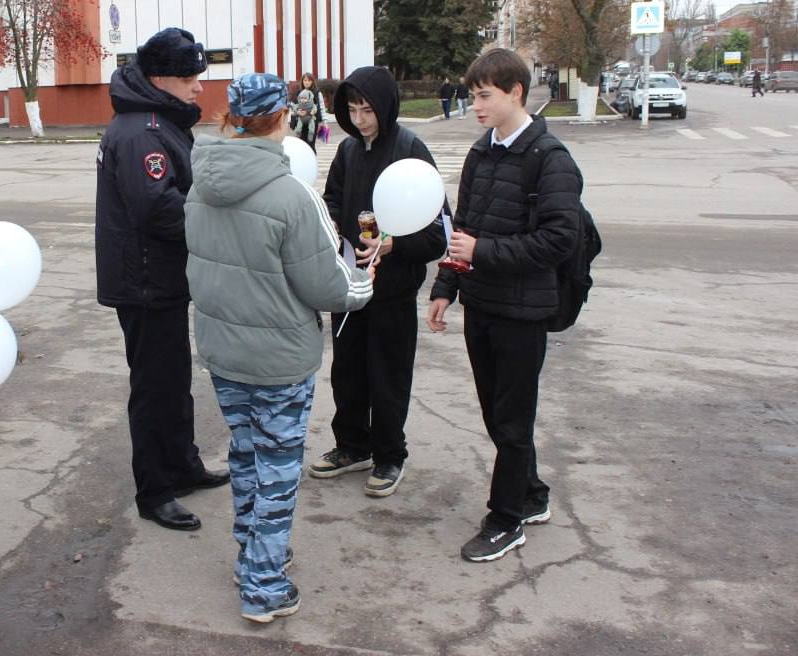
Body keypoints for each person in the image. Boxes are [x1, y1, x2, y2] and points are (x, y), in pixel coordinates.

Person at [185, 72, 375, 624]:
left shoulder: (200, 185)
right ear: (282, 119)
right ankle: (264, 584)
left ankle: (253, 553)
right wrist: (365, 283)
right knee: (277, 468)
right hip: (279, 361)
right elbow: (328, 287)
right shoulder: (292, 195)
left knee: (246, 456)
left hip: (223, 351)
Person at [427, 48, 582, 563]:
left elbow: (560, 238)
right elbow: (462, 227)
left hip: (523, 312)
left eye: (484, 95)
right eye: (472, 95)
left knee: (512, 420)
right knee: (498, 414)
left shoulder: (550, 158)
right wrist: (446, 287)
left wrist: (483, 253)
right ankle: (531, 495)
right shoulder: (481, 152)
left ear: (516, 92)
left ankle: (505, 519)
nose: (475, 104)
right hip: (483, 303)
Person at [95, 27, 229, 532]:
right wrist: (217, 222)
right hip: (145, 281)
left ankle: (182, 464)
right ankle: (155, 490)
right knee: (154, 388)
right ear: (161, 78)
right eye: (190, 76)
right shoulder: (141, 131)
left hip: (162, 277)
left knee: (174, 382)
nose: (199, 86)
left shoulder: (155, 121)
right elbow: (159, 209)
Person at [308, 67, 446, 497]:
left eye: (367, 110)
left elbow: (437, 230)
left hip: (392, 289)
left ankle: (390, 454)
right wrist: (330, 220)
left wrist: (393, 247)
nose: (361, 118)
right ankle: (352, 445)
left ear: (385, 107)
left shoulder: (410, 149)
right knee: (347, 369)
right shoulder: (349, 151)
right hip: (349, 283)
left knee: (387, 373)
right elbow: (332, 197)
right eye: (352, 110)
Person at [290, 72, 325, 152]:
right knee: (302, 144)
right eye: (305, 80)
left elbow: (322, 108)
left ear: (312, 81)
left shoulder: (317, 93)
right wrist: (297, 112)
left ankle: (312, 161)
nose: (307, 82)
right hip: (301, 122)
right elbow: (293, 106)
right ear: (302, 81)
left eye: (309, 80)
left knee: (311, 144)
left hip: (313, 121)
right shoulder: (298, 92)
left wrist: (324, 122)